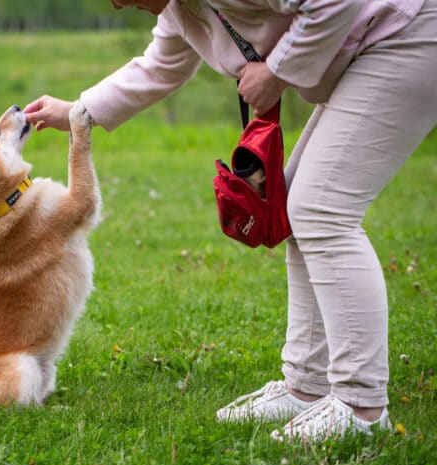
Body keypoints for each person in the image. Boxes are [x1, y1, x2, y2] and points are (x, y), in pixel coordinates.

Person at [24, 0, 437, 441]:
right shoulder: (179, 10)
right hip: (371, 47)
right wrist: (78, 112)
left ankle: (360, 405)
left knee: (321, 210)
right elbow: (158, 68)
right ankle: (306, 385)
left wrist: (277, 71)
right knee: (297, 207)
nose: (118, 5)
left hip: (405, 34)